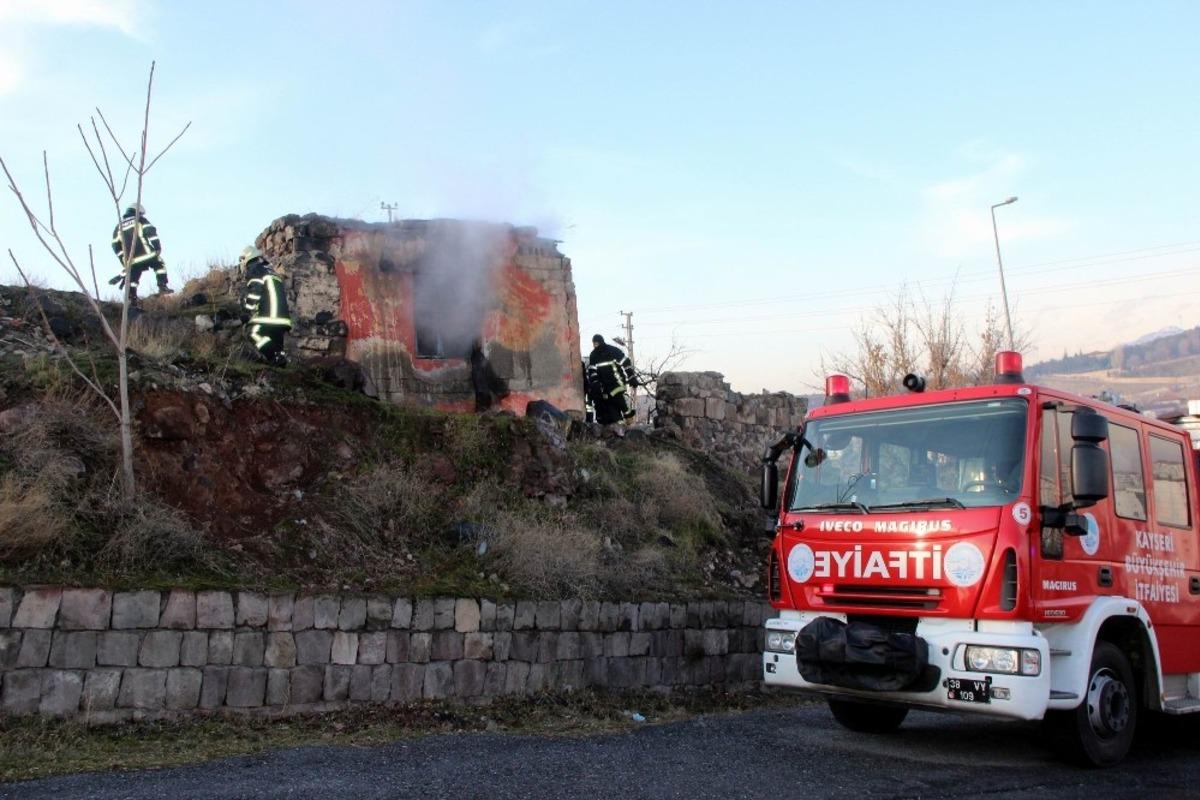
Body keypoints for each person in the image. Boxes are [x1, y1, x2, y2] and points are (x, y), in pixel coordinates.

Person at [239, 246, 292, 367]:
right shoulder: (271, 271)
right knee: (278, 346)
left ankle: (273, 356)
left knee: (252, 333)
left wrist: (248, 312)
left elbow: (255, 291)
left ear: (246, 258)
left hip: (268, 316)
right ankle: (279, 363)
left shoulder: (254, 270)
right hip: (282, 318)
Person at [108, 203, 171, 303]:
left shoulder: (118, 227)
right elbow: (151, 232)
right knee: (159, 265)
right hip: (147, 254)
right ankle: (162, 285)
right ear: (138, 212)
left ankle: (132, 298)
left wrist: (124, 261)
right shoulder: (140, 220)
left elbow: (115, 245)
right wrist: (157, 247)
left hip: (131, 260)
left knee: (133, 277)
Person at [586, 334, 636, 424]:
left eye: (597, 343)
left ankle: (628, 416)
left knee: (618, 398)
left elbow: (626, 363)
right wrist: (596, 383)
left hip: (617, 381)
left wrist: (631, 377)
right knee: (610, 405)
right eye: (594, 343)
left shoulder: (613, 351)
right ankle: (620, 423)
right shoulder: (593, 355)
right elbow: (592, 371)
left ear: (601, 342)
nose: (595, 345)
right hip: (604, 386)